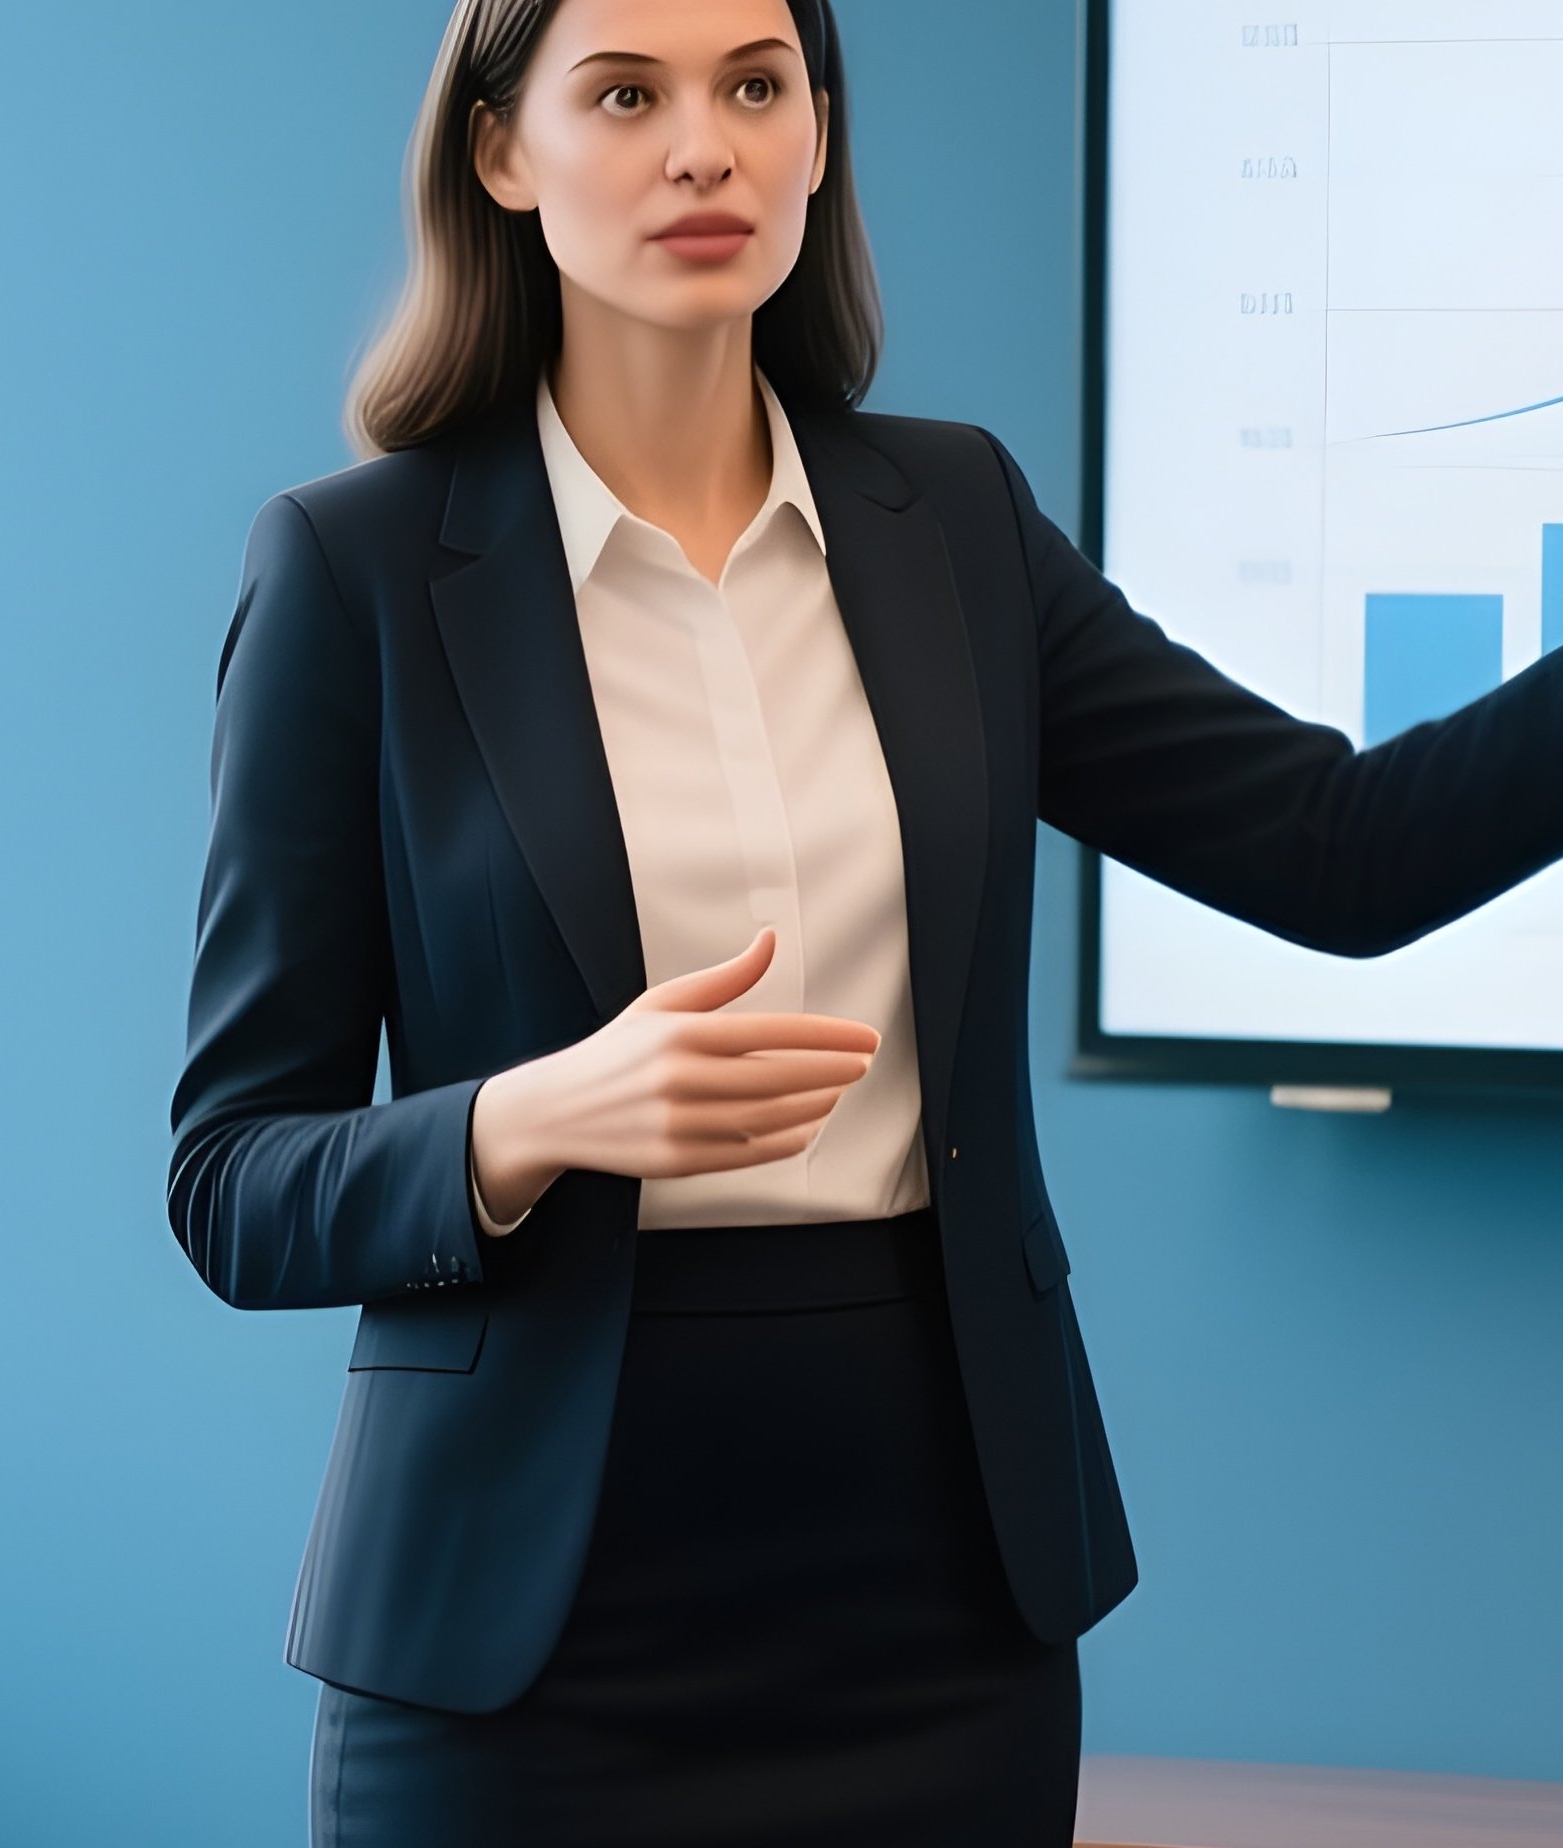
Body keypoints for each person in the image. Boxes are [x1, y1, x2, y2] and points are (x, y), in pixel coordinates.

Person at [164, 1, 1563, 1842]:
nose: (706, 146)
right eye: (626, 94)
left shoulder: (957, 523)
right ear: (501, 152)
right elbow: (234, 1178)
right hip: (520, 1635)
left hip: (937, 1599)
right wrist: (537, 1119)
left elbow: (1340, 852)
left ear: (819, 137)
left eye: (758, 85)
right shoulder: (354, 571)